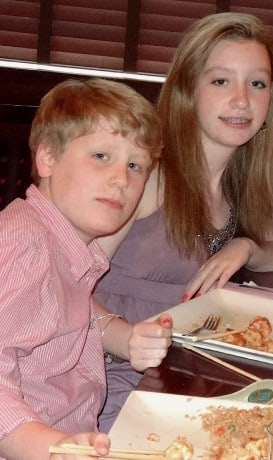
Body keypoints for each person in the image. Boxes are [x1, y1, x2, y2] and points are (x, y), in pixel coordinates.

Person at [93, 12, 273, 431]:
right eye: (221, 81)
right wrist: (126, 338)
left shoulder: (242, 185)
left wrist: (246, 247)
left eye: (257, 84)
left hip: (181, 383)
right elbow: (60, 282)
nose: (242, 100)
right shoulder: (149, 175)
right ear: (188, 90)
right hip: (106, 386)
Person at [0, 78, 162, 459]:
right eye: (101, 156)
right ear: (48, 159)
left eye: (136, 165)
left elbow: (47, 312)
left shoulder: (64, 246)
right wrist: (53, 447)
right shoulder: (25, 246)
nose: (121, 179)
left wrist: (121, 336)